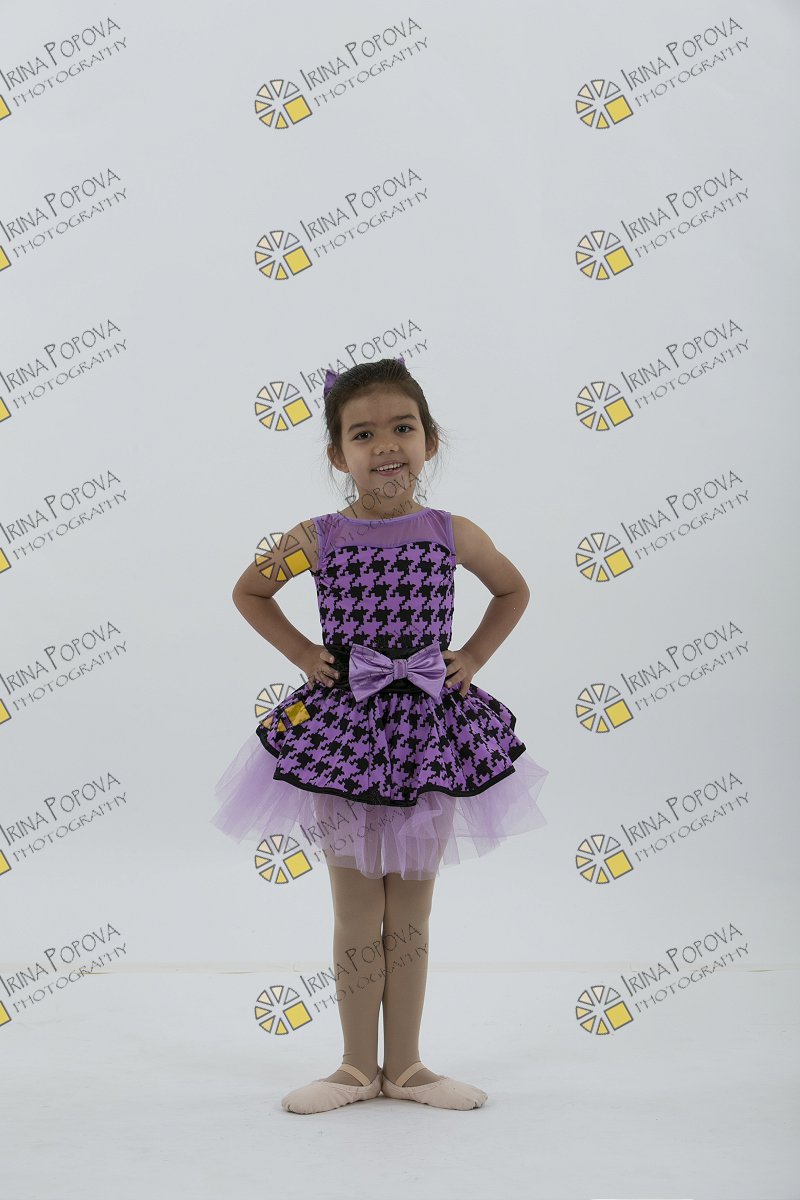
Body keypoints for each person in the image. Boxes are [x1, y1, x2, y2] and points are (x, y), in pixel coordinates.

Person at [211, 355, 550, 1114]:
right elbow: (250, 590)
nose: (386, 445)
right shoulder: (319, 536)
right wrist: (305, 655)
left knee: (414, 909)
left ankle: (408, 1066)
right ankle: (355, 1066)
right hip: (344, 735)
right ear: (338, 455)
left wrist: (472, 658)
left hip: (430, 733)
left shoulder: (451, 531)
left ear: (430, 440)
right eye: (363, 434)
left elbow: (513, 588)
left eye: (403, 428)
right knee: (358, 907)